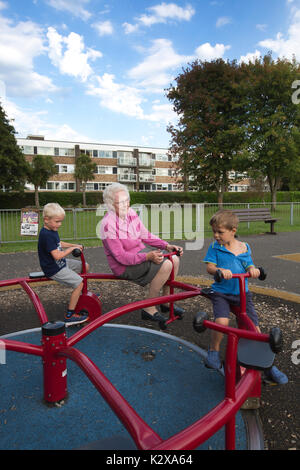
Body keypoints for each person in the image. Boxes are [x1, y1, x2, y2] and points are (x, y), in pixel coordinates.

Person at [203, 209, 288, 385]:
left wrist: (252, 270)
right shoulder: (215, 248)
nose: (216, 235)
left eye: (220, 232)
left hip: (242, 293)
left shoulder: (244, 247)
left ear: (233, 230)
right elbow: (209, 267)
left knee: (254, 329)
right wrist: (220, 270)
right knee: (222, 322)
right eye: (214, 232)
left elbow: (248, 264)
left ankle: (267, 365)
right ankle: (213, 351)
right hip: (221, 293)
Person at [100, 183, 184, 324]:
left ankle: (165, 302)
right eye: (121, 202)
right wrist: (147, 256)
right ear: (110, 204)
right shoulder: (108, 224)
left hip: (140, 255)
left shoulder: (130, 214)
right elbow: (120, 257)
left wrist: (166, 245)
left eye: (127, 200)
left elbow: (145, 235)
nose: (126, 204)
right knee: (166, 265)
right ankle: (149, 308)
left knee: (174, 258)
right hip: (123, 266)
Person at [38, 203, 89, 326]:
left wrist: (74, 245)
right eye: (57, 221)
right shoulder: (46, 235)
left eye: (61, 221)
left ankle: (82, 295)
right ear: (46, 220)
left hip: (60, 263)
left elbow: (59, 243)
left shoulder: (52, 230)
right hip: (53, 268)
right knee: (79, 283)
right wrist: (71, 250)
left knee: (85, 266)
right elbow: (57, 255)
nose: (59, 224)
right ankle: (69, 315)